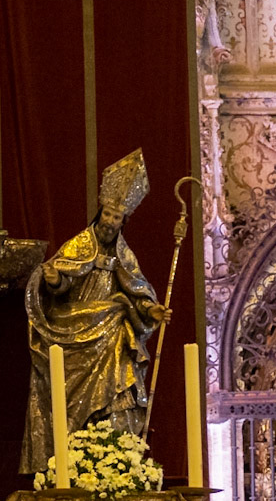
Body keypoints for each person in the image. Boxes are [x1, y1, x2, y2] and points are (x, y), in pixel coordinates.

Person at [20, 149, 167, 473]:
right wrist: (56, 279)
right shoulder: (78, 246)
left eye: (117, 218)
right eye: (108, 215)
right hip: (75, 331)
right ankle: (74, 456)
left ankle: (114, 453)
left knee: (119, 388)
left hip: (111, 329)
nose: (111, 222)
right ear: (99, 212)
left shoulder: (124, 256)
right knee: (69, 404)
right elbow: (58, 281)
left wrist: (149, 310)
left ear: (123, 221)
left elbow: (136, 288)